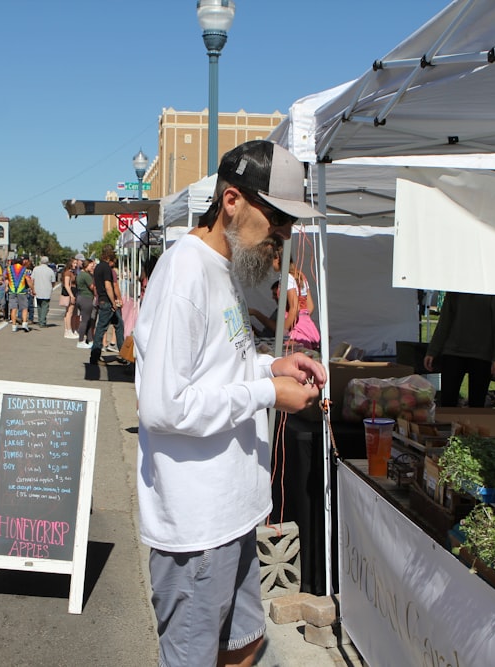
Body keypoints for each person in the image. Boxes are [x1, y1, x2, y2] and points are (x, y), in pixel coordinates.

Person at [134, 140, 326, 667]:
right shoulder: (185, 274)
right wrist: (266, 392)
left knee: (244, 643)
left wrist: (273, 367)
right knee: (194, 656)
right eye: (279, 218)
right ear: (233, 201)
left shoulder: (227, 267)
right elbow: (163, 406)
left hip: (233, 509)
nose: (285, 234)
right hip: (198, 522)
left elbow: (218, 367)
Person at [423, 291, 495, 407]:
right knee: (448, 401)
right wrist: (433, 350)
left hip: (482, 353)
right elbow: (445, 319)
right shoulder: (456, 285)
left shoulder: (494, 287)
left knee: (477, 404)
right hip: (453, 351)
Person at [89, 246, 125, 365]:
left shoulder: (98, 267)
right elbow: (109, 286)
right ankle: (95, 355)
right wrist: (114, 302)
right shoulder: (106, 269)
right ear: (109, 256)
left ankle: (124, 353)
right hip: (107, 302)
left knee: (118, 325)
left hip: (103, 300)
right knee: (102, 328)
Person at [3, 255, 32, 332]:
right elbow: (28, 280)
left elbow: (6, 278)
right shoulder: (25, 270)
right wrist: (33, 288)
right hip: (22, 291)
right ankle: (24, 323)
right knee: (24, 308)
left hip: (12, 291)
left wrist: (6, 286)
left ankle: (14, 325)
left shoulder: (8, 269)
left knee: (13, 308)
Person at [74, 258, 96, 349]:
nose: (93, 267)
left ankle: (90, 340)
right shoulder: (86, 276)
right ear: (87, 265)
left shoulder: (80, 274)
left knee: (88, 320)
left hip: (80, 297)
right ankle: (81, 340)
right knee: (85, 320)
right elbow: (92, 287)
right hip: (86, 298)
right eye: (92, 266)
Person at [31, 256, 55, 328]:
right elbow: (53, 281)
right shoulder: (50, 270)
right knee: (45, 306)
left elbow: (32, 279)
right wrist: (51, 287)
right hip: (47, 290)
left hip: (38, 289)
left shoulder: (36, 269)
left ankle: (40, 320)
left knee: (39, 306)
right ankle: (42, 322)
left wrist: (33, 288)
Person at [61, 255, 80, 338]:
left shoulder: (73, 272)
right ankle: (68, 330)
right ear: (70, 263)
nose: (76, 265)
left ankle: (70, 329)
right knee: (70, 312)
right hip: (70, 293)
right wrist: (71, 295)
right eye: (74, 263)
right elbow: (66, 285)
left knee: (72, 312)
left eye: (76, 263)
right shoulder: (68, 272)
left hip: (74, 292)